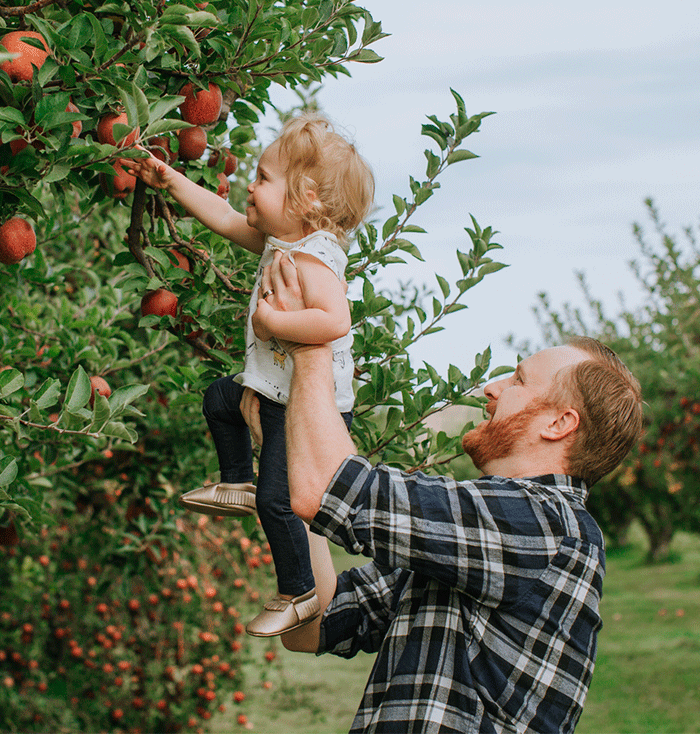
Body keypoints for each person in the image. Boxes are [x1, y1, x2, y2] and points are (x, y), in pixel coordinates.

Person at [244, 254, 643, 733]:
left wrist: (311, 345)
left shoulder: (548, 527)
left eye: (517, 380)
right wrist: (286, 454)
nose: (492, 389)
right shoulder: (474, 546)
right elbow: (314, 624)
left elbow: (334, 492)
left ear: (559, 424)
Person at [133, 112, 375, 637]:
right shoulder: (280, 241)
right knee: (219, 401)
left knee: (279, 501)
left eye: (264, 178)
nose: (250, 183)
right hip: (272, 387)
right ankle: (237, 480)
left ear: (307, 200)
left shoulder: (316, 257)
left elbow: (335, 321)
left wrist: (272, 321)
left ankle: (300, 591)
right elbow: (222, 217)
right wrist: (171, 179)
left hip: (304, 405)